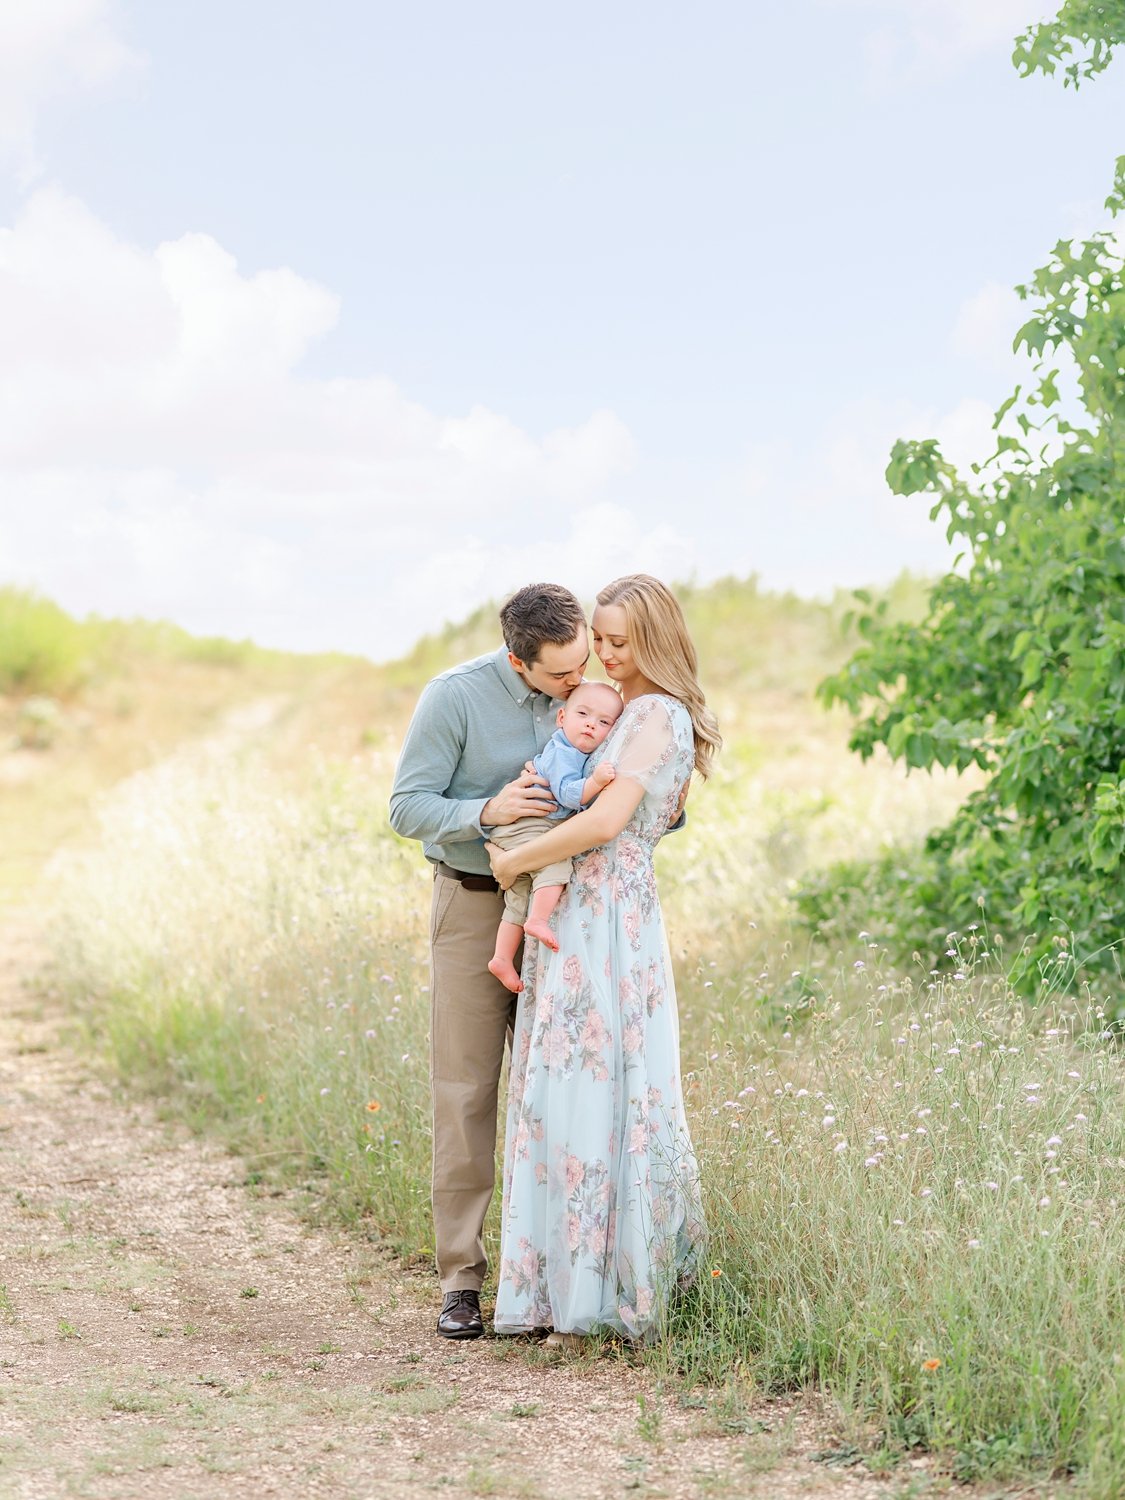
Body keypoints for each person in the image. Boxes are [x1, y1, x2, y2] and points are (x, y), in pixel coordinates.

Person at [486, 574, 721, 1348]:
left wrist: (516, 866)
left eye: (622, 643)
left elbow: (608, 822)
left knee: (598, 1085)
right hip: (585, 915)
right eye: (603, 641)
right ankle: (561, 1286)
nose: (608, 657)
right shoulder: (625, 710)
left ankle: (598, 1291)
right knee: (573, 1085)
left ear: (655, 641)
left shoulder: (656, 712)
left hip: (608, 919)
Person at [389, 583, 590, 1340]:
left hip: (569, 914)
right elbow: (407, 807)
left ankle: (554, 1280)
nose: (579, 683)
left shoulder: (597, 690)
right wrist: (485, 813)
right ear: (519, 660)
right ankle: (461, 1281)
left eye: (583, 664)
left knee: (565, 1089)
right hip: (472, 905)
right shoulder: (454, 698)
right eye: (561, 675)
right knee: (467, 1093)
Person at [487, 681, 624, 994]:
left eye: (604, 722)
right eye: (583, 714)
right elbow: (568, 794)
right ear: (561, 718)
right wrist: (596, 783)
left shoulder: (570, 750)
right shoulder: (564, 754)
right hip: (529, 826)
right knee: (556, 864)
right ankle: (538, 920)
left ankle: (501, 958)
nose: (591, 724)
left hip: (522, 828)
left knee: (520, 893)